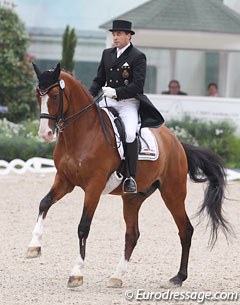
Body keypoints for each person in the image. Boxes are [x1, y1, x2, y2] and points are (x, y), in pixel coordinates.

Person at [89, 19, 164, 193]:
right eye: (114, 34)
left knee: (130, 134)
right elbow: (99, 80)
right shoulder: (107, 54)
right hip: (107, 99)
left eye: (119, 34)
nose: (115, 37)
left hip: (127, 102)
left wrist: (116, 93)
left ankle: (130, 177)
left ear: (129, 36)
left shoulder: (137, 56)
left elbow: (137, 86)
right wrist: (88, 97)